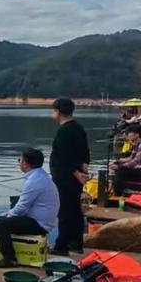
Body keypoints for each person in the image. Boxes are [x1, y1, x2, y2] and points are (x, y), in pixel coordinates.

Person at [0, 148, 60, 268]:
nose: (19, 162)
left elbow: (22, 208)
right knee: (15, 202)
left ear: (25, 163)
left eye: (20, 160)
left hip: (40, 224)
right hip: (44, 219)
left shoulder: (34, 181)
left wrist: (7, 215)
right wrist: (11, 212)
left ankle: (9, 259)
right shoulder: (40, 175)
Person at [49, 98, 90, 256]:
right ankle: (76, 243)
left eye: (53, 110)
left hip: (66, 177)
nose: (52, 113)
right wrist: (84, 172)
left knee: (65, 210)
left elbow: (66, 157)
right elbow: (85, 154)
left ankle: (62, 245)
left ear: (58, 112)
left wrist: (76, 173)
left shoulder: (64, 131)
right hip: (77, 176)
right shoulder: (79, 128)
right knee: (75, 209)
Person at [112, 125, 141, 196]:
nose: (128, 135)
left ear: (137, 134)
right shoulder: (136, 144)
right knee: (119, 168)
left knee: (121, 170)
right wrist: (119, 161)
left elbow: (136, 161)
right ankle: (120, 189)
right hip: (140, 169)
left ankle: (118, 192)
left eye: (129, 133)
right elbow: (131, 157)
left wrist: (120, 166)